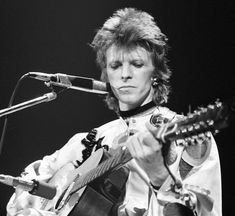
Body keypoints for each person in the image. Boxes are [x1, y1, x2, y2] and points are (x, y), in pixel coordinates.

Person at [6, 8, 221, 216]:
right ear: (106, 74)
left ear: (155, 72)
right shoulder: (91, 138)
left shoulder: (187, 138)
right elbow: (27, 184)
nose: (125, 74)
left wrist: (159, 175)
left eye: (136, 64)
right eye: (116, 65)